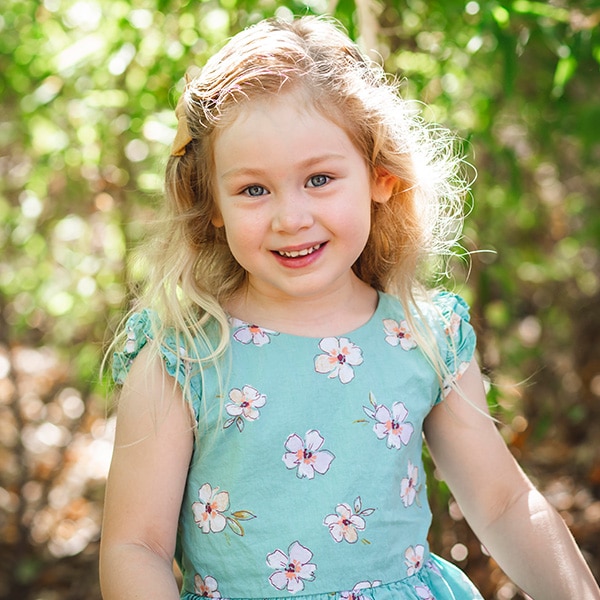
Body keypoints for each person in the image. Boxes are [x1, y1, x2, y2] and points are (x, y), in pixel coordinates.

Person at [99, 15, 600, 600]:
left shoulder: (423, 335)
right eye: (253, 189)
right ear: (212, 204)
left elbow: (505, 503)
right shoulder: (184, 351)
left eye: (319, 179)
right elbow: (136, 546)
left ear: (379, 178)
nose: (291, 217)